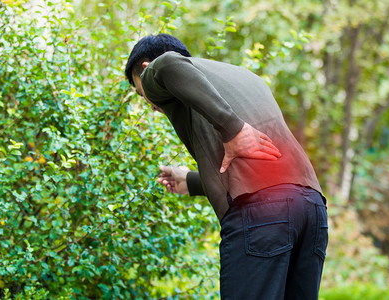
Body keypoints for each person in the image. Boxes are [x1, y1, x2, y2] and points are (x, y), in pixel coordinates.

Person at [125, 33, 328, 299]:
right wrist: (191, 180)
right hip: (311, 210)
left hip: (261, 216)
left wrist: (233, 129)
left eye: (142, 93)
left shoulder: (161, 69)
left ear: (145, 68)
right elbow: (263, 167)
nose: (152, 106)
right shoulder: (246, 77)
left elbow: (166, 66)